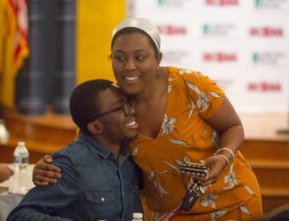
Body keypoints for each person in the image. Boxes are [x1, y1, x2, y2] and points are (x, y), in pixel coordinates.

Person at [33, 18, 263, 221]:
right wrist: (49, 169)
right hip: (169, 214)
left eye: (140, 57)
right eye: (119, 57)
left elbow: (233, 126)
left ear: (157, 59)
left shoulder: (190, 85)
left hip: (232, 206)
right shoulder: (112, 105)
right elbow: (86, 151)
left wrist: (222, 157)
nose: (129, 66)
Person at [7, 79, 142, 221]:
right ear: (96, 127)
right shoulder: (70, 164)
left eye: (129, 102)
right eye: (120, 107)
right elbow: (19, 216)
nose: (131, 110)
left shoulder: (133, 154)